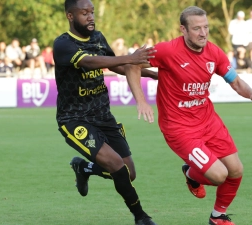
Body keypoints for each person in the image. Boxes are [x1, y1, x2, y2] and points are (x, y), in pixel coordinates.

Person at [124, 6, 252, 225]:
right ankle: (192, 175)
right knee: (219, 175)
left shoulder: (214, 52)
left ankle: (217, 217)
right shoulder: (167, 50)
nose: (203, 33)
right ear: (183, 29)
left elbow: (236, 81)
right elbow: (131, 64)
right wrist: (141, 100)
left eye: (206, 27)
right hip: (179, 127)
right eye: (196, 29)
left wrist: (251, 94)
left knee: (236, 170)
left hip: (208, 120)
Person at [53, 1, 158, 225]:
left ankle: (84, 168)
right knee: (116, 166)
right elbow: (90, 62)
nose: (90, 17)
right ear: (70, 16)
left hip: (103, 115)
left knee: (129, 173)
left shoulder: (98, 37)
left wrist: (152, 74)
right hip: (74, 119)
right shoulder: (62, 44)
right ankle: (141, 217)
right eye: (84, 13)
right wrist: (130, 57)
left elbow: (113, 65)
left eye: (92, 12)